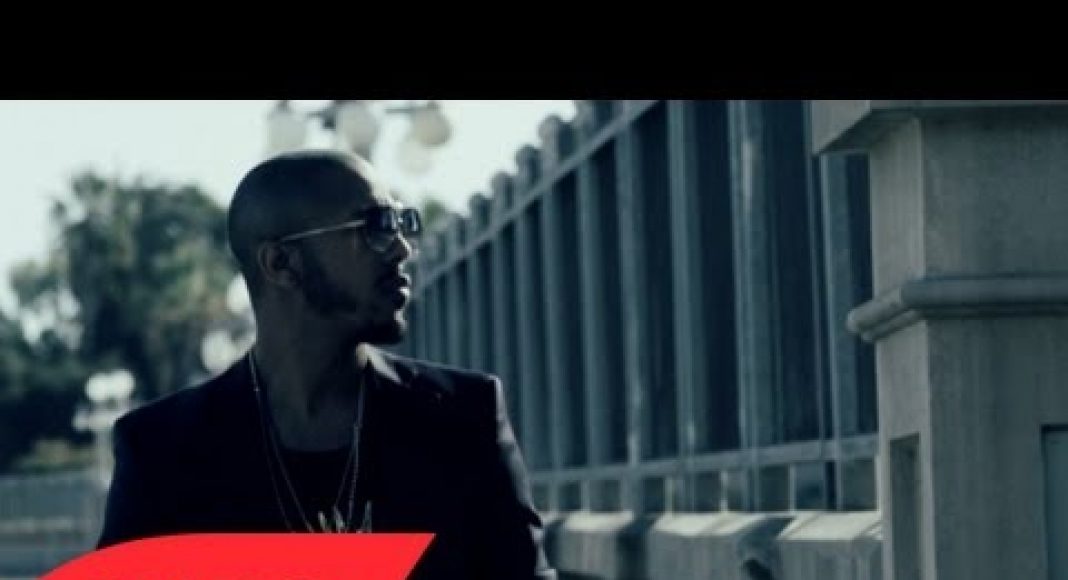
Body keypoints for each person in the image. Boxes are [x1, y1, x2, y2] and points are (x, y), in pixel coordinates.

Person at [96, 150, 556, 579]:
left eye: (401, 223)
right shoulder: (163, 451)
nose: (401, 248)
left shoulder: (462, 418)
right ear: (281, 263)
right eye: (374, 226)